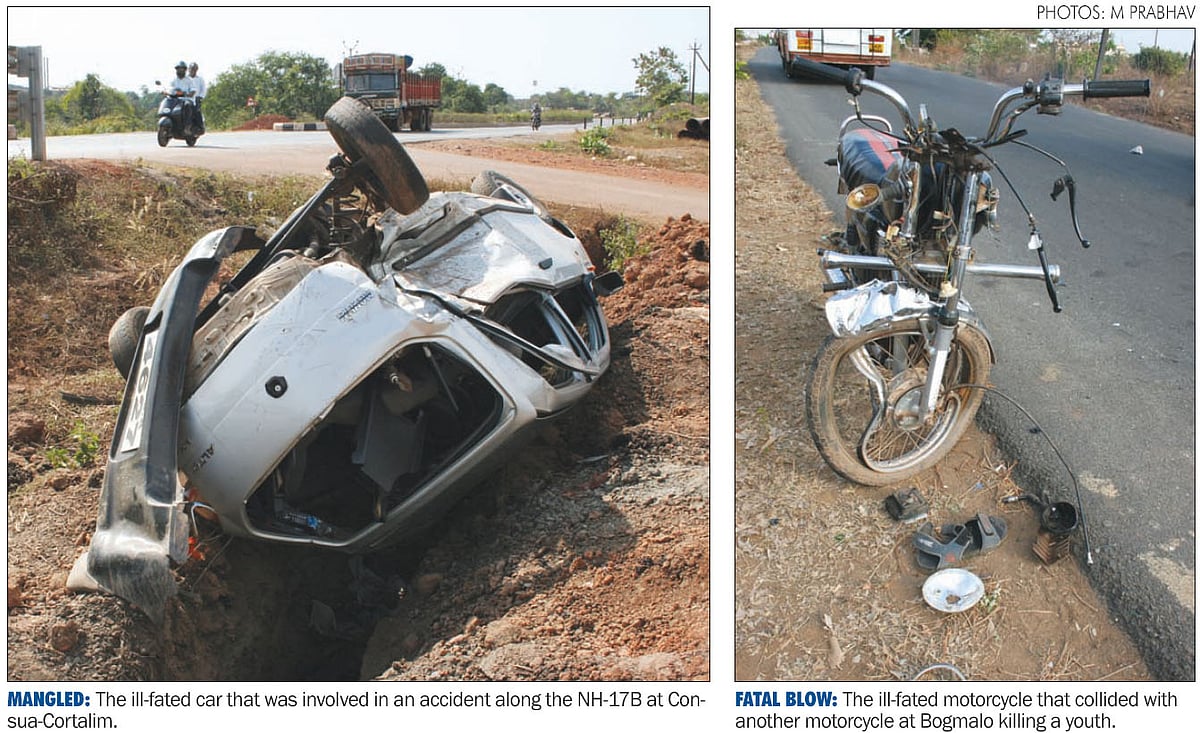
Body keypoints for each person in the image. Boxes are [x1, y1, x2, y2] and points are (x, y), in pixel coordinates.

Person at [166, 60, 195, 133]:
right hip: (175, 100)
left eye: (182, 69)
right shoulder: (173, 80)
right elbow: (169, 89)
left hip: (186, 99)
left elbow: (193, 90)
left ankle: (187, 127)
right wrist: (165, 92)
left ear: (185, 70)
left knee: (187, 105)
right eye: (178, 69)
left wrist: (188, 94)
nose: (180, 71)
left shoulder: (189, 80)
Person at [187, 62, 206, 133]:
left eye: (194, 69)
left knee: (197, 111)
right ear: (188, 69)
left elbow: (203, 89)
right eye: (191, 69)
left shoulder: (200, 79)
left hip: (196, 99)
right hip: (185, 99)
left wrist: (200, 97)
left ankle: (200, 127)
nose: (193, 71)